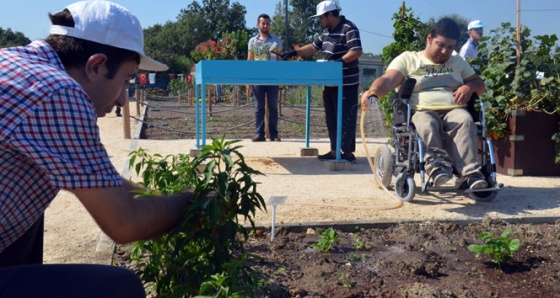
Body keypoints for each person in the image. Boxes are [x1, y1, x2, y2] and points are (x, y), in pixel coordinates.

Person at [0, 1, 196, 296]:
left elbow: (96, 181)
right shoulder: (59, 92)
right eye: (126, 80)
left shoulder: (15, 64)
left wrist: (158, 198)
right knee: (118, 288)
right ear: (95, 66)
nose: (121, 101)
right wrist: (190, 202)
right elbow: (124, 224)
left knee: (29, 192)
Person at [360, 18, 488, 190]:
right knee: (426, 123)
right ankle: (437, 168)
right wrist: (373, 91)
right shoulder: (409, 59)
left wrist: (469, 86)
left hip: (454, 108)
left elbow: (480, 84)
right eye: (440, 45)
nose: (444, 51)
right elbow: (388, 80)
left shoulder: (457, 60)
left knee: (465, 120)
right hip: (421, 110)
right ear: (429, 39)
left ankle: (471, 174)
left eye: (450, 47)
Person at [281, 0, 362, 163]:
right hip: (330, 82)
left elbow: (356, 51)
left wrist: (339, 62)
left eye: (321, 18)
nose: (320, 21)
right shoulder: (326, 32)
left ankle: (347, 152)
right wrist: (294, 53)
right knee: (331, 117)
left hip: (346, 84)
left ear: (330, 15)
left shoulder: (349, 28)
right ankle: (334, 150)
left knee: (346, 117)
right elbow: (313, 47)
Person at [247, 13, 282, 142]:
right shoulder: (253, 41)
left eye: (268, 23)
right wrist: (248, 81)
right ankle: (259, 133)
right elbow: (250, 61)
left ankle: (274, 134)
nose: (266, 26)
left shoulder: (276, 40)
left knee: (273, 106)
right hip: (257, 79)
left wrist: (280, 79)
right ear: (258, 25)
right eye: (263, 23)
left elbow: (279, 60)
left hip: (272, 78)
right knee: (258, 107)